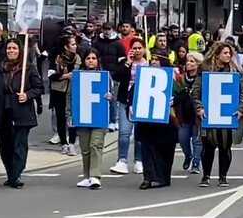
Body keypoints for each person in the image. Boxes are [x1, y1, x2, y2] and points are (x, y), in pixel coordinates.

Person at [0, 39, 44, 188]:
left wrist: (27, 95)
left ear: (19, 51)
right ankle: (11, 174)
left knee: (19, 145)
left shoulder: (27, 68)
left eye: (14, 48)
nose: (11, 51)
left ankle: (16, 175)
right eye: (9, 48)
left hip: (21, 111)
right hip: (1, 110)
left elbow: (39, 87)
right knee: (5, 146)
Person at [192, 42, 243, 187]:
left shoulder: (236, 71)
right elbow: (196, 92)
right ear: (216, 53)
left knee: (225, 147)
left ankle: (223, 177)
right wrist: (199, 107)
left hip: (227, 115)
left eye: (229, 53)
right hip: (209, 115)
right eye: (225, 53)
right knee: (208, 147)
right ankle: (206, 176)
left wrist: (241, 108)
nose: (228, 55)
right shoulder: (204, 70)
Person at [133, 49, 179, 189]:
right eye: (152, 59)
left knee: (165, 150)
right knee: (147, 149)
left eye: (157, 59)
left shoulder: (174, 77)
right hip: (147, 121)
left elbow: (183, 95)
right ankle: (148, 178)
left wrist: (174, 100)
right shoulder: (144, 76)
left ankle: (163, 177)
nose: (153, 62)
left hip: (167, 122)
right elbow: (133, 92)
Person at [66, 50, 113, 190]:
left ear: (98, 60)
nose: (91, 61)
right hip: (83, 116)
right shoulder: (76, 77)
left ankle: (95, 176)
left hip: (99, 116)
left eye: (93, 58)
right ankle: (87, 176)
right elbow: (70, 97)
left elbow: (112, 95)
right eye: (88, 58)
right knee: (85, 148)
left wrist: (110, 96)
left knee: (95, 145)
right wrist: (69, 116)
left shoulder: (105, 76)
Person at [110, 37, 147, 175]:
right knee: (124, 132)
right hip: (125, 101)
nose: (137, 51)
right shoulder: (125, 62)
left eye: (139, 48)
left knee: (140, 133)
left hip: (142, 102)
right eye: (134, 48)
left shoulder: (149, 64)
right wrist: (128, 63)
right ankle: (122, 160)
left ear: (144, 49)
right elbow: (117, 76)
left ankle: (139, 160)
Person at [48, 35, 82, 156]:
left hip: (73, 91)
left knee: (72, 117)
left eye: (75, 44)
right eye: (72, 44)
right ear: (66, 47)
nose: (75, 46)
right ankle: (64, 143)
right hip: (59, 90)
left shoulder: (78, 58)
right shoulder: (56, 58)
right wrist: (65, 76)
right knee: (61, 117)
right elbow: (51, 75)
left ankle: (72, 143)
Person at [174, 51, 203, 174]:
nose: (188, 63)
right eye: (187, 61)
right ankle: (188, 155)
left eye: (192, 61)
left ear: (198, 64)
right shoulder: (181, 78)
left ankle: (196, 163)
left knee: (197, 140)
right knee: (183, 139)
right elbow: (177, 95)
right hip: (184, 115)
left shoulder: (202, 78)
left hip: (197, 115)